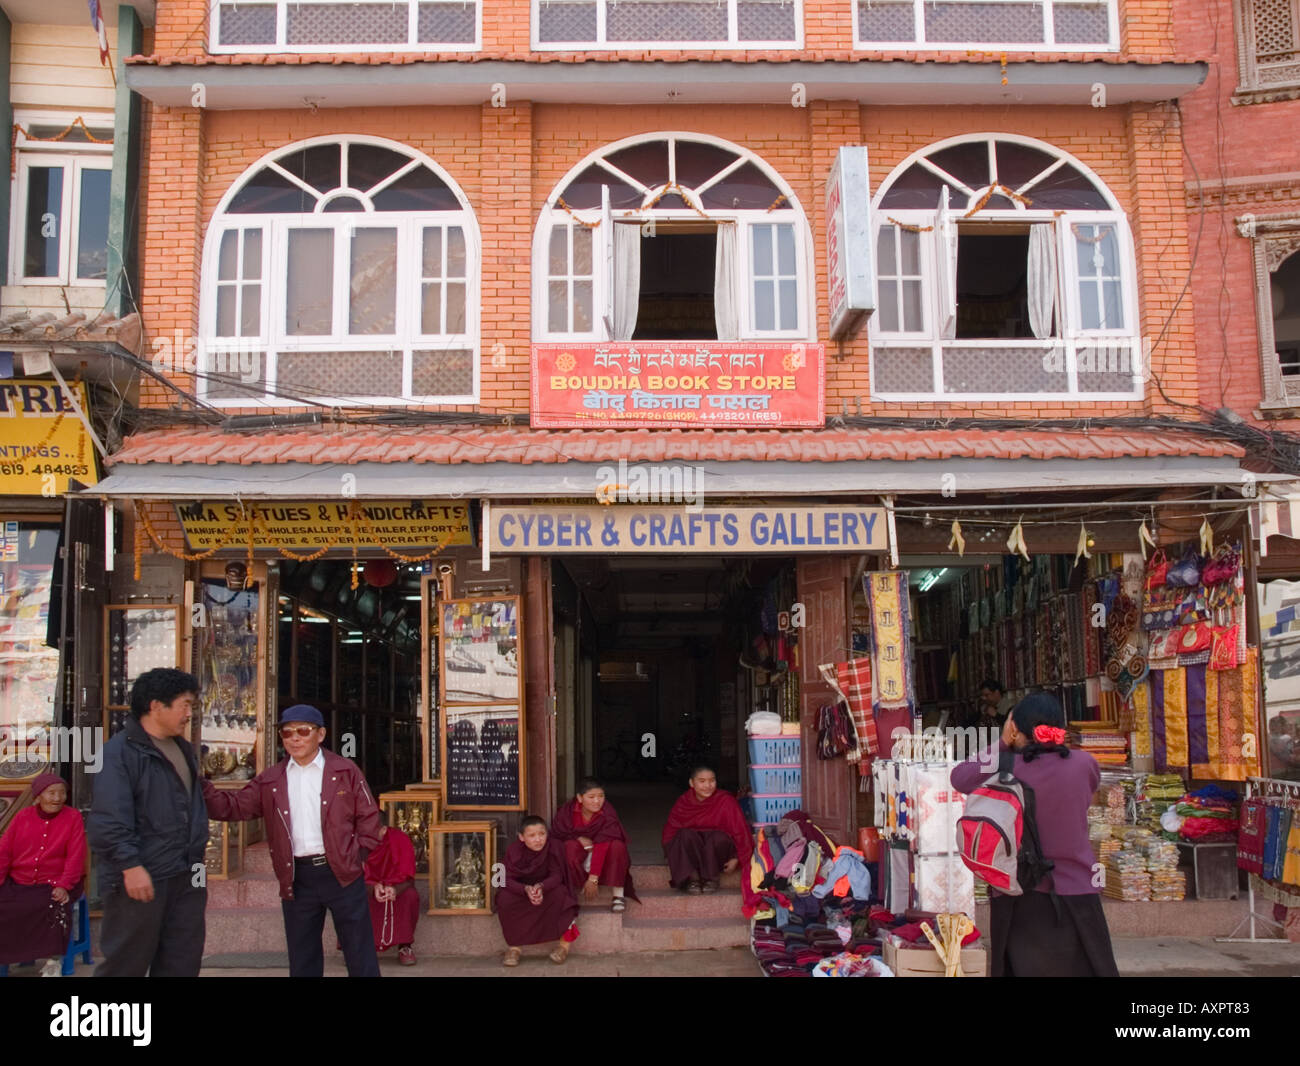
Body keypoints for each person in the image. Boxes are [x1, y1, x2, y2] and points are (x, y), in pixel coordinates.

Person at [203, 704, 382, 978]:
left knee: (360, 953)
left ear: (320, 735)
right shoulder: (272, 779)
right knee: (303, 958)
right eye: (287, 733)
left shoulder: (345, 771)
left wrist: (358, 855)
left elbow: (369, 817)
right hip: (298, 876)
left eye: (303, 731)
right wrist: (197, 786)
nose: (294, 738)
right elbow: (235, 807)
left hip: (342, 873)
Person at [950, 691, 1119, 977]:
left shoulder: (1008, 768)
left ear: (1015, 728)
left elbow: (960, 777)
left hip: (1021, 895)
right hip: (1079, 891)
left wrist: (1004, 743)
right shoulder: (1085, 764)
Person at [89, 668, 210, 977]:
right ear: (157, 706)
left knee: (182, 962)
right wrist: (130, 866)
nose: (189, 713)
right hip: (141, 876)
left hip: (185, 876)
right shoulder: (118, 753)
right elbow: (109, 818)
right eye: (184, 704)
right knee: (126, 964)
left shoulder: (183, 748)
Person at [0, 773, 86, 976]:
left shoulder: (73, 817)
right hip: (21, 881)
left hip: (57, 881)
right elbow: (4, 852)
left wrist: (64, 885)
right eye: (51, 793)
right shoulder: (23, 817)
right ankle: (10, 956)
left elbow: (76, 857)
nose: (57, 798)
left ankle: (53, 960)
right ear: (38, 796)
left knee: (54, 904)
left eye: (62, 793)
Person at [497, 815, 579, 966]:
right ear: (521, 837)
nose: (538, 839)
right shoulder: (513, 850)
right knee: (504, 899)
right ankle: (514, 948)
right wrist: (525, 889)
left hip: (545, 888)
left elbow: (557, 875)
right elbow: (502, 879)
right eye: (532, 835)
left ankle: (563, 947)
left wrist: (541, 887)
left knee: (562, 895)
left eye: (542, 834)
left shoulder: (553, 847)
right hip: (521, 890)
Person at [550, 777, 638, 912]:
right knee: (568, 847)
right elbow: (559, 833)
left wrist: (593, 879)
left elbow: (604, 843)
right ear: (580, 798)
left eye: (601, 796)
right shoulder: (567, 811)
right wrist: (578, 838)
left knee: (618, 846)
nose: (597, 801)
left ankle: (618, 895)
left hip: (602, 855)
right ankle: (572, 891)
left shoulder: (608, 812)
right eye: (591, 797)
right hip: (581, 853)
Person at [662, 765, 753, 894]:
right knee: (684, 834)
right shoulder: (684, 802)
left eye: (712, 780)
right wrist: (674, 855)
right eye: (702, 781)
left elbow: (741, 832)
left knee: (718, 837)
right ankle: (692, 879)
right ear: (692, 783)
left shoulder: (726, 801)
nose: (708, 785)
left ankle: (711, 878)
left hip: (718, 853)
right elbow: (670, 833)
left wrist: (736, 858)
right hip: (693, 850)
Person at [364, 809, 420, 965]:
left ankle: (405, 947)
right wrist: (372, 887)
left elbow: (408, 876)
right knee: (352, 897)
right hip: (368, 886)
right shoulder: (360, 842)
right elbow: (352, 873)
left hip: (396, 886)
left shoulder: (400, 839)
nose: (369, 834)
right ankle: (358, 948)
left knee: (410, 896)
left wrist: (395, 889)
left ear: (384, 829)